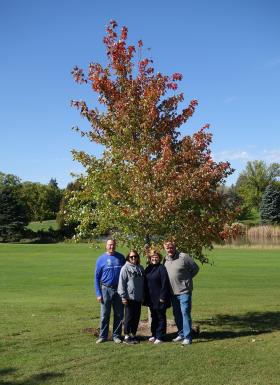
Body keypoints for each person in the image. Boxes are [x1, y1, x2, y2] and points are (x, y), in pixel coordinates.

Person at [163, 240, 199, 346]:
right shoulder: (165, 259)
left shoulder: (184, 257)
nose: (169, 249)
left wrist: (186, 279)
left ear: (175, 246)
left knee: (185, 313)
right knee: (177, 314)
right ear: (165, 248)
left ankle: (188, 337)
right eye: (167, 248)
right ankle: (181, 333)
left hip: (184, 291)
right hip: (172, 292)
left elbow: (195, 269)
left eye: (171, 247)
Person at [94, 239, 125, 343]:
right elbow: (96, 278)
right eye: (109, 245)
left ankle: (116, 336)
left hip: (118, 289)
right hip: (105, 289)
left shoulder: (121, 258)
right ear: (106, 246)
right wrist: (98, 293)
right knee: (104, 314)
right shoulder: (100, 259)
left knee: (119, 314)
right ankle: (103, 336)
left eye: (113, 245)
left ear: (115, 245)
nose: (111, 246)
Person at [117, 250, 145, 345]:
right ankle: (126, 336)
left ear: (138, 257)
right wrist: (123, 297)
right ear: (128, 258)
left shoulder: (140, 268)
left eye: (135, 256)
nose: (133, 258)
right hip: (129, 297)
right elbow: (122, 283)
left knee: (136, 317)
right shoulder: (125, 268)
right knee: (129, 317)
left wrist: (143, 295)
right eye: (131, 257)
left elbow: (143, 283)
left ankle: (133, 334)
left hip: (138, 297)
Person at [144, 251, 170, 345]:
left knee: (160, 316)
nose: (154, 259)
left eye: (156, 257)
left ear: (159, 258)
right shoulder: (148, 268)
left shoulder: (162, 268)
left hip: (160, 298)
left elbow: (164, 283)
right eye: (152, 257)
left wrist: (162, 296)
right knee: (153, 316)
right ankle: (154, 334)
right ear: (150, 259)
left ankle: (160, 336)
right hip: (151, 298)